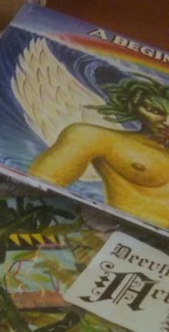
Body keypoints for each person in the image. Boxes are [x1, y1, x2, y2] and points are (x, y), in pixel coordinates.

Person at [29, 75, 169, 225]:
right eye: (155, 111)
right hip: (126, 230)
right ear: (135, 108)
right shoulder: (96, 137)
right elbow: (37, 186)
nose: (167, 122)